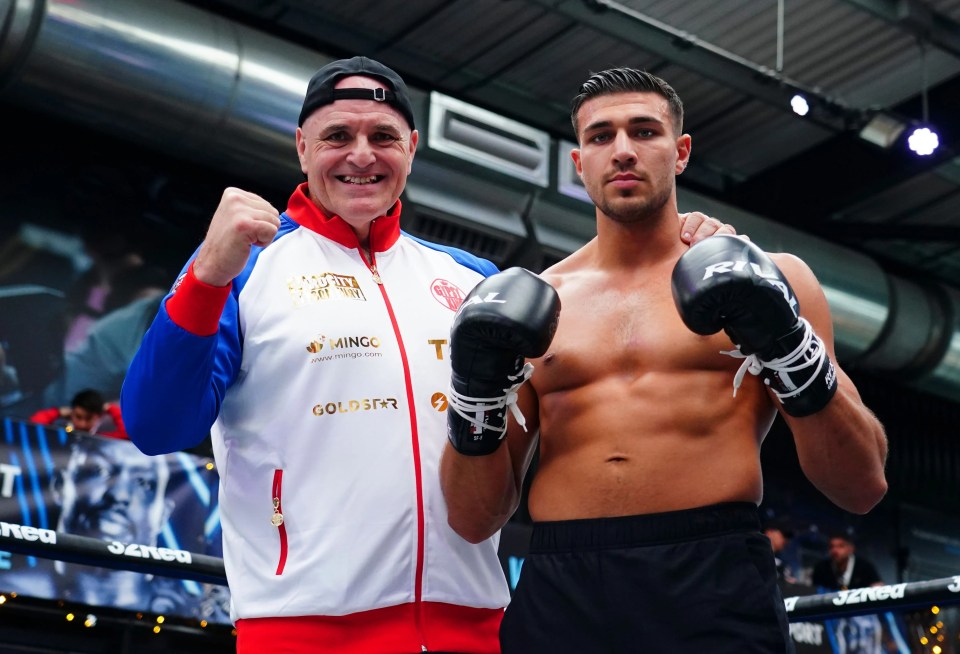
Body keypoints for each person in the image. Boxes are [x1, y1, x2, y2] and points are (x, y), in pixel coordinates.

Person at [119, 56, 736, 653]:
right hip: (302, 632)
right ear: (302, 148)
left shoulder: (473, 280)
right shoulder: (244, 268)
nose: (362, 154)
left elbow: (591, 388)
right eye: (338, 135)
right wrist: (205, 277)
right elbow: (155, 426)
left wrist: (688, 241)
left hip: (475, 631)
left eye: (382, 136)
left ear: (411, 148)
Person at [439, 67, 889, 653]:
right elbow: (473, 520)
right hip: (560, 584)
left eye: (644, 131)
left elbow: (862, 485)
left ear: (680, 153)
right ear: (580, 164)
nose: (622, 151)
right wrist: (474, 395)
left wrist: (787, 346)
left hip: (712, 573)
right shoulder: (538, 304)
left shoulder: (773, 277)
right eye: (601, 137)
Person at [0, 434, 187, 613]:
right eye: (100, 471)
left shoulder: (189, 608)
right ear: (60, 486)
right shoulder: (10, 584)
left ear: (163, 514)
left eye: (143, 483)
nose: (119, 495)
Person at [811, 532, 887, 654]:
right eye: (832, 546)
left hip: (863, 617)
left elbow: (879, 588)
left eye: (840, 546)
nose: (835, 550)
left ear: (850, 548)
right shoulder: (822, 568)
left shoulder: (864, 566)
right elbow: (813, 593)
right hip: (833, 618)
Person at [28, 387, 128, 439]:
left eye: (88, 419)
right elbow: (32, 426)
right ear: (71, 413)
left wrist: (110, 408)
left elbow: (126, 433)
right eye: (78, 417)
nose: (82, 424)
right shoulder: (58, 435)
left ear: (98, 417)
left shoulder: (104, 441)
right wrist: (57, 412)